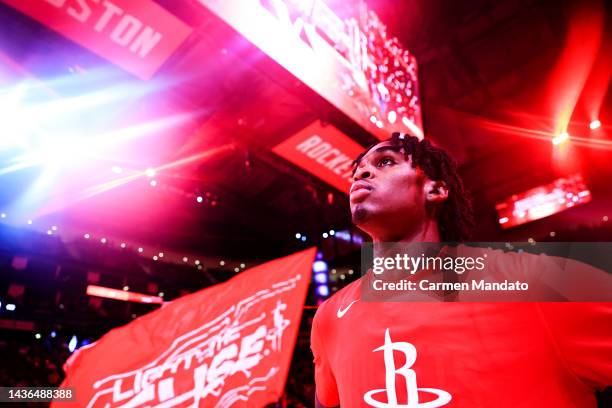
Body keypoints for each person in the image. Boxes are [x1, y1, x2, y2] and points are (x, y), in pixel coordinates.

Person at [311, 133, 612, 407]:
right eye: (358, 170)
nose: (361, 174)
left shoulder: (535, 281)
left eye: (386, 162)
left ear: (436, 190)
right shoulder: (329, 318)